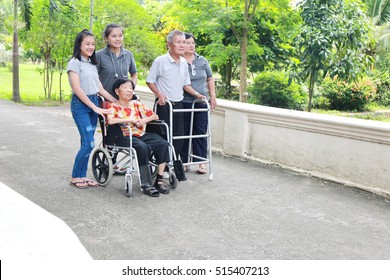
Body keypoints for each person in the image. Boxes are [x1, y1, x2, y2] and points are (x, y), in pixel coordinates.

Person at [67, 29, 117, 189]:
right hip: (81, 105)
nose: (91, 47)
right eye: (87, 44)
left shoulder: (91, 63)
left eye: (93, 44)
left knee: (86, 142)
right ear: (79, 44)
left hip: (93, 101)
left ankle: (83, 175)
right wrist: (95, 107)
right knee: (89, 143)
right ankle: (76, 175)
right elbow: (78, 89)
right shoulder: (74, 62)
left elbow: (100, 89)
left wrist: (117, 101)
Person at [106, 78, 171, 197]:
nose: (129, 90)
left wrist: (143, 120)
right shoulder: (113, 106)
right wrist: (130, 119)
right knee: (142, 147)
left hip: (140, 134)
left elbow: (155, 115)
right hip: (124, 135)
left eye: (131, 88)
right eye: (125, 88)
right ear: (117, 91)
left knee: (163, 144)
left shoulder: (136, 104)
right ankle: (146, 184)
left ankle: (159, 179)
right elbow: (110, 120)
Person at [146, 30, 202, 160]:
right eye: (178, 42)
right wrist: (159, 95)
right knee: (164, 137)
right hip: (164, 104)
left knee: (179, 137)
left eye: (183, 42)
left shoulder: (183, 63)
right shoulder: (160, 61)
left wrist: (197, 94)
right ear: (170, 44)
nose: (182, 45)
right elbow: (150, 81)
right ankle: (162, 166)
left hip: (179, 104)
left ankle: (172, 164)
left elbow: (185, 85)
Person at [181, 33, 217, 174]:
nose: (190, 45)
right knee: (184, 133)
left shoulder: (202, 60)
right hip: (184, 102)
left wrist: (212, 97)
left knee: (200, 131)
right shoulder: (179, 61)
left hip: (201, 102)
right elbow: (183, 83)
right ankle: (183, 161)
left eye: (192, 43)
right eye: (187, 43)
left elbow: (210, 78)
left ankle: (201, 161)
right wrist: (196, 94)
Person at [96, 23, 138, 100]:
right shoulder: (99, 55)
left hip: (124, 101)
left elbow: (134, 74)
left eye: (120, 35)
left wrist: (130, 89)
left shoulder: (128, 54)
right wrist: (111, 99)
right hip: (104, 101)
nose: (118, 39)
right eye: (114, 36)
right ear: (106, 38)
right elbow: (94, 78)